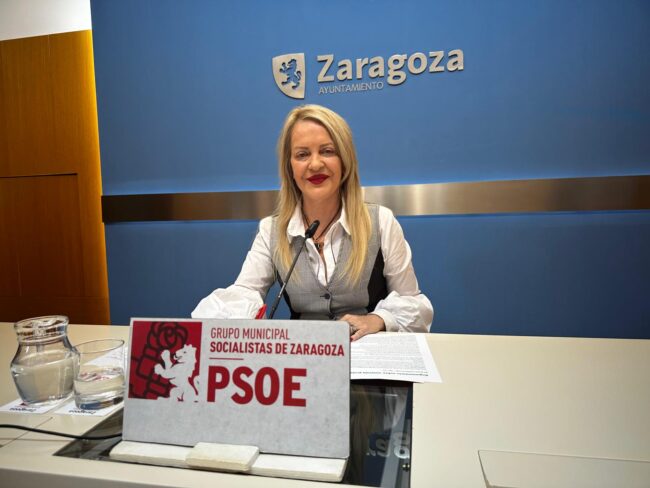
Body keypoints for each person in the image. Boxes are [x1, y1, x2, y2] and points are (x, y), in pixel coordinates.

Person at [192, 104, 433, 340]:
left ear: (345, 159)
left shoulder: (380, 222)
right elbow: (245, 292)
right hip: (304, 358)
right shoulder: (272, 230)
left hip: (368, 354)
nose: (315, 164)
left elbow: (414, 305)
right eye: (302, 154)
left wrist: (378, 319)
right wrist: (212, 329)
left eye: (327, 151)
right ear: (290, 166)